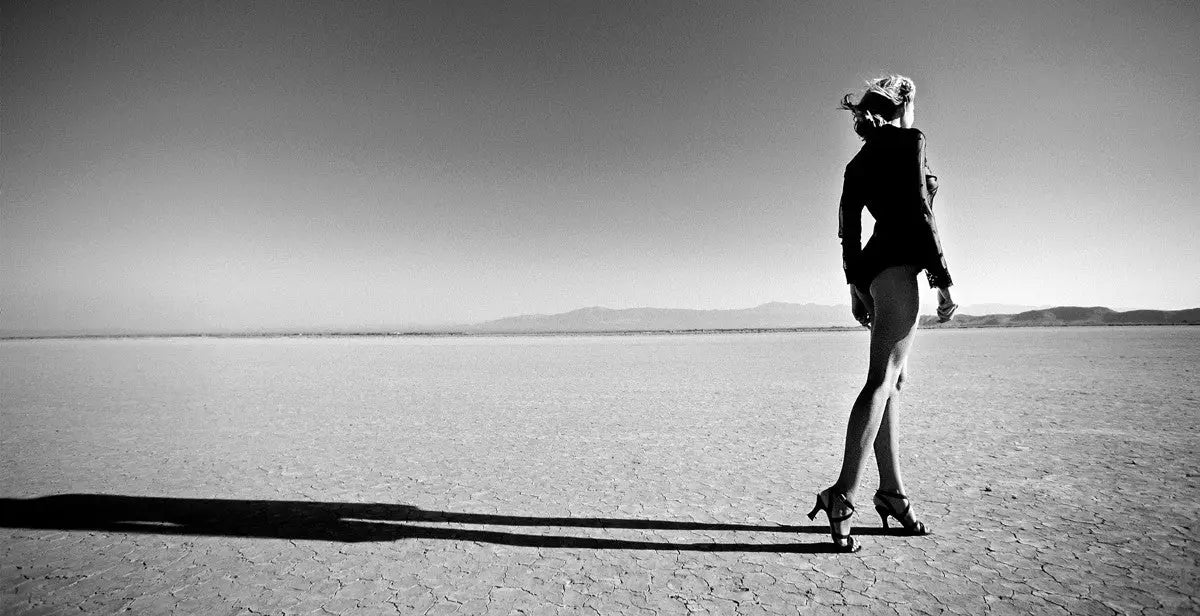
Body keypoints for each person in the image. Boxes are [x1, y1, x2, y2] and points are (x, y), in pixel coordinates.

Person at [807, 74, 957, 552]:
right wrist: (943, 279)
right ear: (905, 105)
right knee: (881, 379)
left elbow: (848, 232)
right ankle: (842, 495)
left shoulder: (856, 164)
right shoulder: (911, 140)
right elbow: (920, 211)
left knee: (893, 381)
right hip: (898, 271)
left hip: (873, 273)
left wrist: (855, 286)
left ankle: (891, 493)